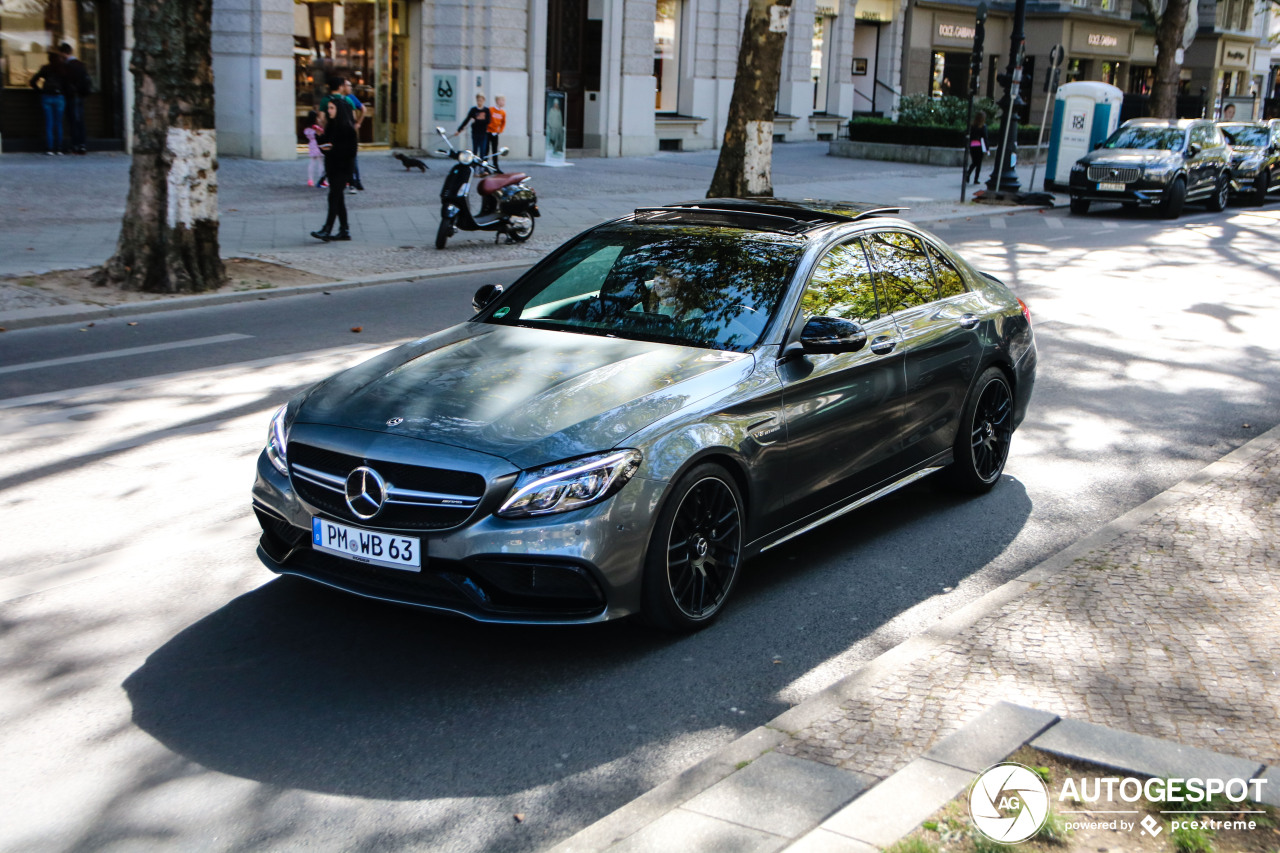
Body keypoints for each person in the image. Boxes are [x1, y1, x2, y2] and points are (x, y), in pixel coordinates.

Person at [311, 98, 358, 242]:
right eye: (329, 108)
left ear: (339, 110)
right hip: (332, 166)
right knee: (339, 199)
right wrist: (319, 138)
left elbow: (350, 152)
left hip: (342, 168)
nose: (329, 111)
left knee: (333, 197)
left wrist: (332, 149)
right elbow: (326, 145)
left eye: (332, 108)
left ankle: (327, 229)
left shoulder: (348, 129)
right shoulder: (332, 126)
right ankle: (344, 230)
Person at [29, 51, 69, 155]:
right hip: (59, 97)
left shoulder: (45, 68)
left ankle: (50, 148)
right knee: (59, 123)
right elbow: (67, 84)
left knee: (49, 123)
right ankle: (59, 148)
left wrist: (40, 91)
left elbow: (33, 81)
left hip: (46, 96)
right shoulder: (63, 69)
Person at [59, 43, 91, 154]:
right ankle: (82, 145)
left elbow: (64, 81)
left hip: (72, 96)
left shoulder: (67, 66)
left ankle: (75, 145)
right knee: (80, 120)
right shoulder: (81, 64)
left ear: (63, 53)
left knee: (73, 120)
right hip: (80, 95)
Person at [455, 93, 491, 159]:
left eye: (481, 100)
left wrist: (476, 121)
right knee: (475, 150)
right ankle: (474, 166)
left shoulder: (486, 110)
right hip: (475, 132)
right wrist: (459, 130)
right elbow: (467, 120)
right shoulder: (473, 110)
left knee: (482, 150)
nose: (479, 102)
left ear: (483, 100)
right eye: (478, 100)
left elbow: (487, 121)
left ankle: (482, 166)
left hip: (483, 133)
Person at [965, 111, 989, 183]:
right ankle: (975, 179)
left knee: (974, 162)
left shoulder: (972, 126)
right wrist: (987, 148)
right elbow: (985, 138)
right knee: (978, 163)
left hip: (972, 145)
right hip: (979, 146)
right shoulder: (983, 127)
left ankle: (968, 174)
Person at [302, 110, 323, 187]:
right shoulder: (316, 127)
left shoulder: (307, 128)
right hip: (318, 144)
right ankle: (322, 179)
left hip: (311, 144)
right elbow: (321, 133)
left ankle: (310, 180)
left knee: (312, 163)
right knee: (321, 163)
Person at [488, 94, 507, 172]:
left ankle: (495, 167)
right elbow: (487, 120)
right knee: (486, 149)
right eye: (501, 100)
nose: (503, 102)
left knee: (495, 150)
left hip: (496, 133)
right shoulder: (490, 110)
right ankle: (485, 167)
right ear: (497, 101)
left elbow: (503, 123)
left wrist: (500, 130)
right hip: (488, 132)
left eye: (503, 100)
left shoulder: (503, 112)